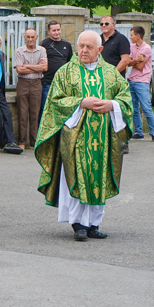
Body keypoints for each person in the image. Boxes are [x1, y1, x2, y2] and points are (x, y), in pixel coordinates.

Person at [34, 30, 132, 241]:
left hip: (104, 138)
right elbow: (55, 102)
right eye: (81, 46)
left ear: (100, 50)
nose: (84, 51)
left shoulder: (111, 73)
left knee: (99, 175)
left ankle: (94, 223)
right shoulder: (65, 72)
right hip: (75, 138)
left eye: (89, 47)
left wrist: (112, 105)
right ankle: (77, 223)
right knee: (77, 176)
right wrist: (80, 103)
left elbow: (126, 100)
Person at [14, 27, 47, 150]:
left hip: (37, 83)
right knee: (22, 113)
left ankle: (34, 142)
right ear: (24, 37)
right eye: (28, 37)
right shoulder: (20, 51)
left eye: (33, 37)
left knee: (35, 113)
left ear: (36, 37)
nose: (30, 39)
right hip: (23, 83)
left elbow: (44, 67)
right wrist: (36, 67)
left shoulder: (42, 50)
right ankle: (22, 141)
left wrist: (27, 65)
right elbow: (19, 69)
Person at [126, 25, 154, 144]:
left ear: (138, 36)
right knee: (134, 108)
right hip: (131, 80)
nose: (130, 37)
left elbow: (140, 67)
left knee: (146, 107)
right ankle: (139, 132)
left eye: (132, 35)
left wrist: (133, 61)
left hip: (142, 81)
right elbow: (128, 63)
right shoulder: (131, 47)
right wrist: (135, 60)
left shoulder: (147, 49)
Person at [40, 20, 73, 116]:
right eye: (54, 30)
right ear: (49, 31)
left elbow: (69, 62)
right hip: (47, 82)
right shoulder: (44, 45)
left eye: (58, 30)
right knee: (45, 108)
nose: (56, 32)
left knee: (60, 109)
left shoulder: (67, 45)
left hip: (62, 83)